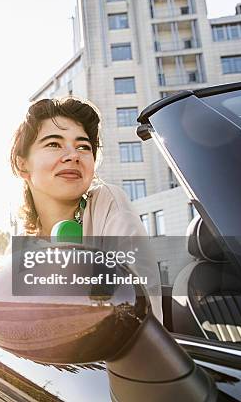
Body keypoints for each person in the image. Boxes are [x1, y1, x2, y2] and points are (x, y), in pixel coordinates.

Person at [10, 96, 163, 321]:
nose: (73, 155)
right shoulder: (21, 241)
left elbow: (140, 312)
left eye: (83, 146)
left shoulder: (108, 203)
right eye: (54, 144)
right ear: (22, 163)